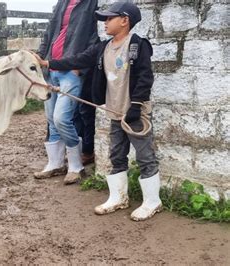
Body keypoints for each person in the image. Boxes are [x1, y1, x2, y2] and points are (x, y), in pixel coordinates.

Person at [34, 1, 162, 221]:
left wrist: (137, 105)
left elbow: (145, 77)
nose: (104, 23)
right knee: (116, 155)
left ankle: (152, 201)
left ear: (124, 21)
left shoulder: (137, 46)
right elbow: (78, 59)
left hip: (134, 113)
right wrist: (48, 63)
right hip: (114, 111)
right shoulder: (102, 47)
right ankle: (118, 197)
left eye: (109, 18)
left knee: (145, 156)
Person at [34, 0, 99, 185]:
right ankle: (55, 163)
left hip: (71, 71)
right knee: (51, 119)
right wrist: (41, 56)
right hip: (49, 69)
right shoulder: (62, 3)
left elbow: (95, 37)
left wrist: (78, 68)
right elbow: (49, 32)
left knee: (62, 118)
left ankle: (76, 166)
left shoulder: (92, 3)